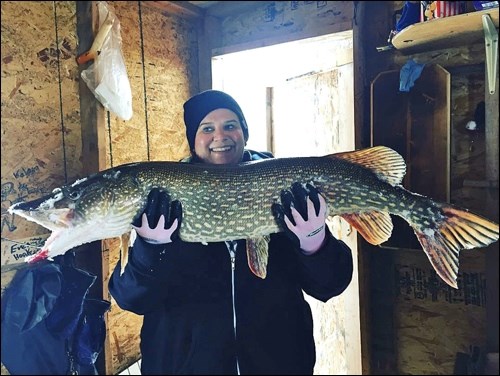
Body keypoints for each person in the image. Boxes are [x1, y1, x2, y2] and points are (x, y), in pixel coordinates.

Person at [109, 90, 353, 375]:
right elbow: (131, 299)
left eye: (230, 125)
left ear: (244, 133)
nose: (220, 136)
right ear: (192, 140)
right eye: (207, 128)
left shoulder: (287, 193)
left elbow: (330, 285)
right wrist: (150, 249)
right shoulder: (162, 206)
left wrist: (314, 241)